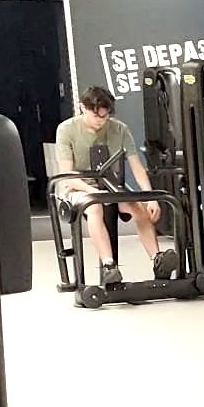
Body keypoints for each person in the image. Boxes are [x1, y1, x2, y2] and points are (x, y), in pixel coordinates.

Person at [55, 85, 175, 285]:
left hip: (109, 184)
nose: (101, 121)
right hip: (78, 186)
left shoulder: (119, 129)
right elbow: (67, 176)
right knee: (95, 208)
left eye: (105, 116)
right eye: (97, 116)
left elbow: (136, 166)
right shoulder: (66, 130)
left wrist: (150, 196)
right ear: (82, 108)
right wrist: (94, 192)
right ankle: (109, 265)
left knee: (139, 209)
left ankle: (157, 260)